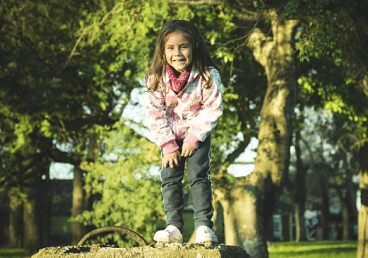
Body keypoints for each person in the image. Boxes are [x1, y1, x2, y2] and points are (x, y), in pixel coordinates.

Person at [144, 20, 223, 243]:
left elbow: (213, 108)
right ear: (162, 51)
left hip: (197, 135)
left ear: (195, 46)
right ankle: (173, 228)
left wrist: (194, 137)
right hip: (169, 137)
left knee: (198, 177)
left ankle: (204, 227)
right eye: (170, 48)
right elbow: (153, 112)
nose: (177, 53)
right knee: (170, 179)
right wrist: (168, 145)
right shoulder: (157, 78)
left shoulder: (207, 76)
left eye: (183, 47)